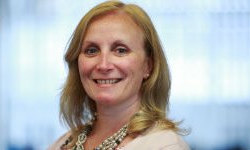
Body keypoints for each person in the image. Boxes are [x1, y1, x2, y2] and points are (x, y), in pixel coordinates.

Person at [49, 0, 189, 149]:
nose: (103, 65)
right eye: (92, 50)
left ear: (148, 66)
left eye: (120, 50)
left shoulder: (165, 145)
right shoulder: (62, 144)